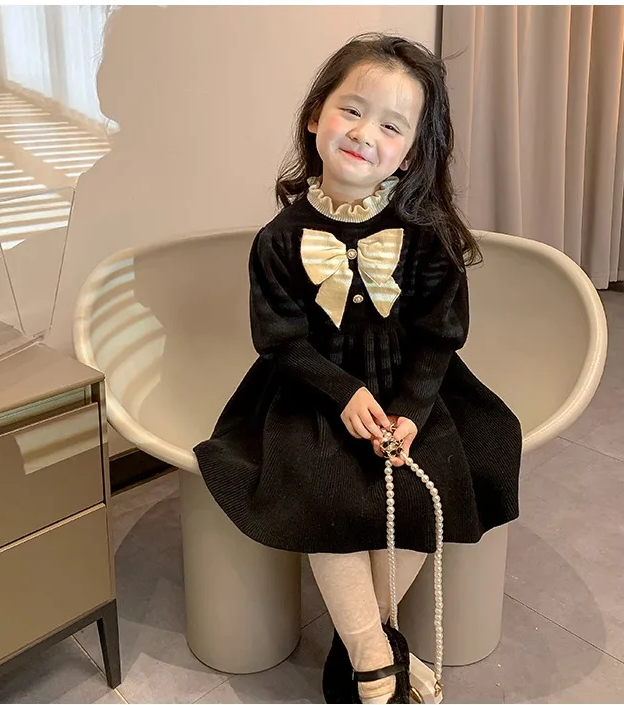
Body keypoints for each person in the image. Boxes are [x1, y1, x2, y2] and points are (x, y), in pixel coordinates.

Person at [194, 33, 522, 704]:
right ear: (316, 113)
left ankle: (365, 642)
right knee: (325, 487)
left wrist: (410, 410)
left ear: (412, 152)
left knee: (437, 471)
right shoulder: (278, 240)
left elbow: (439, 337)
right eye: (351, 109)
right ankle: (376, 653)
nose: (364, 133)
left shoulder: (426, 233)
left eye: (391, 125)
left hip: (410, 387)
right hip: (310, 389)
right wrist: (341, 393)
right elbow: (280, 340)